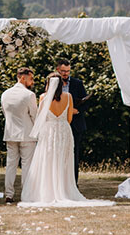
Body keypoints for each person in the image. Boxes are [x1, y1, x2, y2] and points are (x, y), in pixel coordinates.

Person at [18, 73, 112, 208]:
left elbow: (40, 117)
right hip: (64, 131)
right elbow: (69, 119)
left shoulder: (43, 97)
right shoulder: (68, 97)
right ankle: (64, 190)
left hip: (49, 131)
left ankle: (47, 192)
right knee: (63, 161)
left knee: (48, 160)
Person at [1, 67, 38, 204]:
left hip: (10, 133)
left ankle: (9, 194)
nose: (32, 81)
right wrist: (38, 132)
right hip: (27, 134)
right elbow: (34, 115)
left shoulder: (5, 94)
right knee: (27, 165)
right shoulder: (29, 95)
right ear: (23, 77)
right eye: (31, 78)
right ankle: (25, 194)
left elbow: (6, 114)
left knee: (10, 165)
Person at [55, 58, 89, 182]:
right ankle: (58, 182)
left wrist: (77, 110)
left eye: (68, 71)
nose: (65, 74)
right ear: (57, 70)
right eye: (63, 71)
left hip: (75, 124)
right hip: (57, 123)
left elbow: (86, 103)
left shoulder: (77, 83)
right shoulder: (52, 83)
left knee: (74, 154)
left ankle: (73, 183)